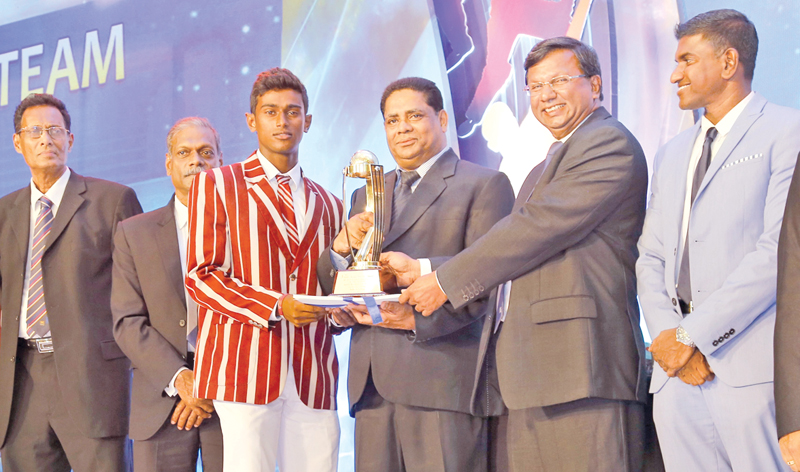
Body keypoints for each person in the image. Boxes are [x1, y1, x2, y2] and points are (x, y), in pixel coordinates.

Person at [396, 37, 648, 471]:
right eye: (534, 86)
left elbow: (536, 230)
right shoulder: (548, 161)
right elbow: (517, 255)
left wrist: (443, 282)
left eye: (559, 81)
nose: (546, 95)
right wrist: (423, 268)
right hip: (535, 373)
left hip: (582, 368)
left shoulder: (607, 143)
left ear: (596, 85)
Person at [316, 77, 515, 471]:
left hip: (441, 378)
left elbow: (489, 282)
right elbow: (332, 283)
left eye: (414, 116)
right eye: (392, 120)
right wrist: (340, 247)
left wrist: (413, 319)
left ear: (441, 118)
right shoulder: (367, 193)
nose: (402, 127)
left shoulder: (484, 184)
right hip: (371, 385)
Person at [635, 9, 800, 471]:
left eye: (687, 60)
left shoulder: (788, 132)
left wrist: (694, 334)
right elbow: (649, 258)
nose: (674, 74)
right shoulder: (670, 154)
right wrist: (671, 340)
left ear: (728, 62)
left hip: (748, 371)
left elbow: (778, 255)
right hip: (674, 379)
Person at [185, 68, 344, 472]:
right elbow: (201, 275)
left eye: (293, 112)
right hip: (244, 367)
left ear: (307, 122)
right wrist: (277, 305)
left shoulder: (330, 203)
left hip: (314, 370)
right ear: (251, 121)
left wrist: (347, 309)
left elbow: (332, 286)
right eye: (270, 111)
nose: (282, 121)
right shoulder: (217, 184)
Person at [0, 93, 142, 471]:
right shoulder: (4, 211)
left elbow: (139, 291)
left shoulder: (112, 200)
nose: (46, 139)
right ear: (18, 143)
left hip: (92, 380)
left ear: (70, 140)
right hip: (21, 381)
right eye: (34, 131)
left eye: (54, 130)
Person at [111, 117, 225, 471]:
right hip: (162, 402)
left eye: (207, 152)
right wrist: (182, 379)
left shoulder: (244, 230)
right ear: (169, 163)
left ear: (221, 162)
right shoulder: (134, 233)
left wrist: (207, 381)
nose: (196, 161)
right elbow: (127, 321)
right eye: (185, 152)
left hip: (231, 398)